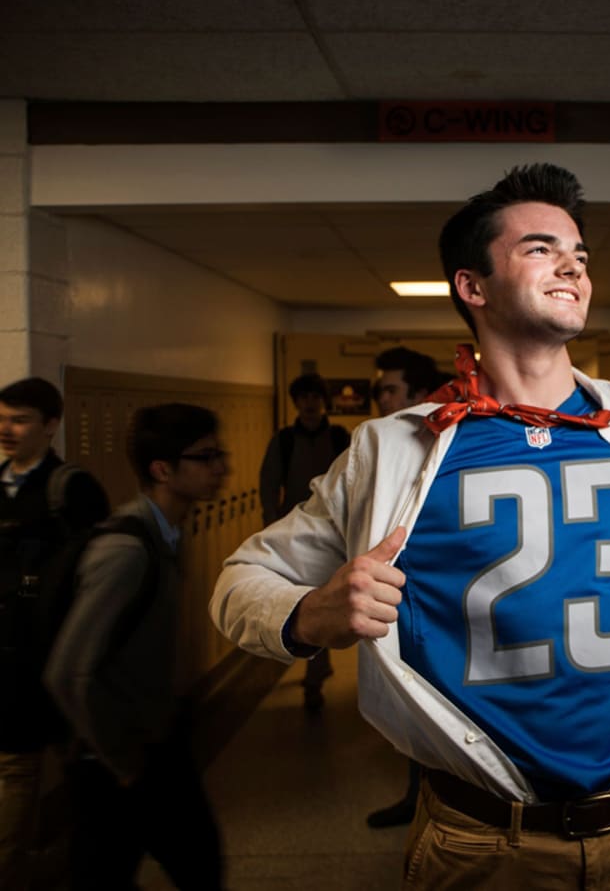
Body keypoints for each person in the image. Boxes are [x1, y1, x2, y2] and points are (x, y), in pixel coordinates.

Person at [212, 163, 610, 890]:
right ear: (472, 287)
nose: (572, 264)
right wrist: (312, 613)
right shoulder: (396, 448)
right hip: (482, 838)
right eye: (540, 248)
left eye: (580, 254)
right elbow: (239, 581)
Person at [45, 403, 227, 890]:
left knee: (195, 865)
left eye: (219, 454)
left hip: (157, 742)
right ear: (162, 469)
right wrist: (121, 762)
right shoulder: (125, 550)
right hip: (119, 759)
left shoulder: (167, 533)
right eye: (206, 457)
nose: (221, 468)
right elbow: (67, 672)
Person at [0, 378, 108, 890]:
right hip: (11, 655)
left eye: (19, 419)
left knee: (80, 767)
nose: (6, 428)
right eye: (2, 417)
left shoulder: (73, 489)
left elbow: (102, 574)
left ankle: (90, 862)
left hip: (64, 651)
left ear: (50, 425)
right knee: (16, 766)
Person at [364, 346, 451, 830]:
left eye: (389, 390)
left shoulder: (447, 443)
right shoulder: (379, 447)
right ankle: (418, 798)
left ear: (418, 394)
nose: (380, 398)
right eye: (379, 389)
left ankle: (436, 805)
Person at [258, 373, 349, 711]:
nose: (310, 403)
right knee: (293, 599)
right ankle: (296, 655)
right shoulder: (283, 440)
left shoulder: (340, 437)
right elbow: (268, 483)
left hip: (330, 534)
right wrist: (270, 523)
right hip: (291, 532)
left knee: (322, 601)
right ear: (296, 401)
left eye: (315, 396)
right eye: (304, 397)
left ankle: (315, 676)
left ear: (323, 400)